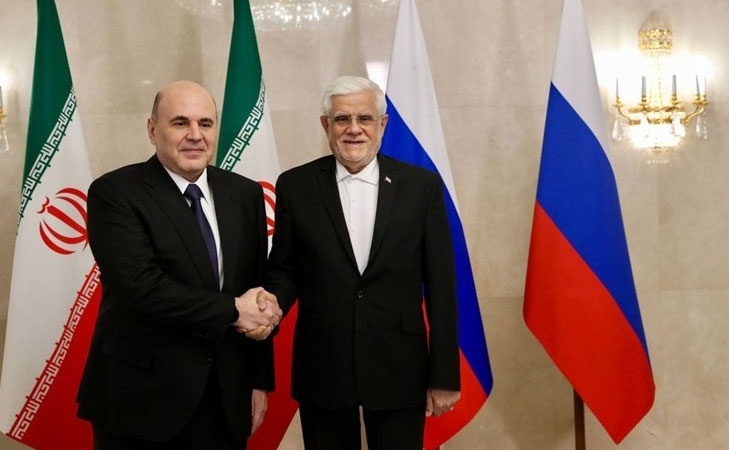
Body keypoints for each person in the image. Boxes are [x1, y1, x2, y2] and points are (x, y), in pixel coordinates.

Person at [77, 80, 282, 450]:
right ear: (153, 129)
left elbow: (254, 287)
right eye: (180, 123)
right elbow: (140, 287)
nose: (195, 135)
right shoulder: (115, 193)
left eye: (205, 123)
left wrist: (257, 379)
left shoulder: (244, 193)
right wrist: (234, 310)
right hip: (142, 402)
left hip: (225, 400)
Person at [264, 75, 461, 450]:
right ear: (325, 125)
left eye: (365, 118)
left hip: (400, 367)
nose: (353, 129)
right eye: (342, 119)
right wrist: (270, 303)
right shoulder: (295, 186)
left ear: (382, 124)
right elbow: (285, 270)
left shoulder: (421, 187)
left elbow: (442, 285)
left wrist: (445, 375)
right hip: (323, 367)